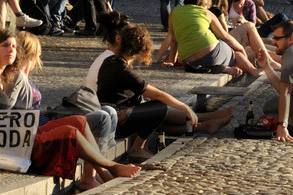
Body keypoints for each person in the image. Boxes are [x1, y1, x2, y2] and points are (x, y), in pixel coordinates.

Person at [0, 28, 150, 191]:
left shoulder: (4, 73)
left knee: (79, 121)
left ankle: (105, 173)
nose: (11, 50)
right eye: (5, 46)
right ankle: (112, 168)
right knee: (70, 132)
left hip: (20, 133)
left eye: (14, 47)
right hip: (12, 140)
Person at [97, 22, 230, 160]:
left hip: (115, 115)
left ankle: (207, 123)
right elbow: (157, 94)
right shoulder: (123, 70)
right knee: (158, 107)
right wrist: (185, 107)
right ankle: (137, 148)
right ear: (141, 50)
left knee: (159, 117)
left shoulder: (111, 61)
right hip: (117, 122)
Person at [160, 0, 259, 77]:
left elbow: (174, 39)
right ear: (202, 1)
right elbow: (225, 36)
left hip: (188, 60)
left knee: (214, 57)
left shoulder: (174, 12)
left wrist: (171, 60)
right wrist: (241, 49)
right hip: (211, 54)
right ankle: (254, 71)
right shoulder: (206, 12)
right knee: (235, 54)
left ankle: (222, 68)